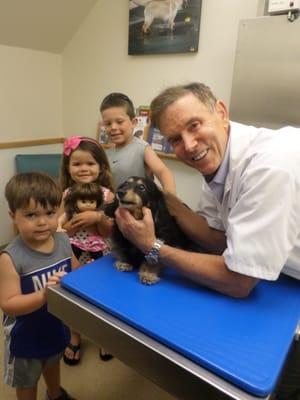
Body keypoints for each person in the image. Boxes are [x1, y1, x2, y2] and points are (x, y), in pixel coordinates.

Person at [115, 82, 300, 400]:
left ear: (221, 112)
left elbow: (240, 282)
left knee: (276, 386)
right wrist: (168, 202)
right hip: (282, 272)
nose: (188, 145)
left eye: (194, 125)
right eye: (175, 139)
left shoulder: (269, 167)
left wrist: (152, 247)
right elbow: (219, 240)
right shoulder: (217, 165)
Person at [0, 172, 79, 400]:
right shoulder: (11, 257)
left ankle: (55, 395)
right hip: (25, 338)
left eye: (50, 213)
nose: (43, 221)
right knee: (26, 380)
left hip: (56, 326)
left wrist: (87, 273)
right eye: (31, 214)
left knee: (53, 363)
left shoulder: (63, 241)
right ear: (13, 216)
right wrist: (44, 295)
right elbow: (9, 304)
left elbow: (73, 268)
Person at [60, 135, 114, 364]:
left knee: (102, 294)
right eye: (77, 163)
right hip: (72, 250)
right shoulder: (67, 194)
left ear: (101, 167)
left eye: (90, 163)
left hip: (102, 252)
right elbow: (59, 225)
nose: (83, 169)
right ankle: (74, 335)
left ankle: (103, 336)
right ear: (68, 167)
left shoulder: (107, 195)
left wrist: (98, 217)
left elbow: (111, 230)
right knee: (73, 293)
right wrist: (67, 228)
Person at [99, 92, 176, 193]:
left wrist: (171, 200)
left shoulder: (142, 148)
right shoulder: (106, 153)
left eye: (119, 122)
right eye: (108, 123)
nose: (113, 127)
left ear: (133, 122)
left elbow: (163, 172)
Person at [59, 182, 106, 264]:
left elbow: (104, 230)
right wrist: (59, 226)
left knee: (99, 259)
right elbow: (61, 220)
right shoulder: (72, 213)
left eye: (92, 202)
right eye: (83, 201)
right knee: (72, 258)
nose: (88, 205)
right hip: (77, 241)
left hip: (94, 242)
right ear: (75, 202)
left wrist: (98, 220)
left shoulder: (99, 214)